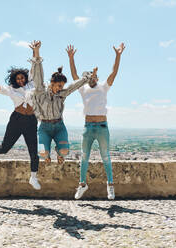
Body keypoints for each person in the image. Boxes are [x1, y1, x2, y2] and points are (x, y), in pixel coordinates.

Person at [0, 41, 42, 190]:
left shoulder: (31, 83)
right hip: (16, 120)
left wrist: (36, 51)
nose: (21, 80)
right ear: (14, 80)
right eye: (18, 79)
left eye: (22, 78)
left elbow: (35, 64)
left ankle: (33, 177)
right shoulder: (10, 89)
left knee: (33, 152)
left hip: (31, 120)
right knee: (5, 148)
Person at [66, 43, 125, 200]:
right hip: (88, 127)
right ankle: (82, 184)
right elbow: (74, 75)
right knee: (84, 156)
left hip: (102, 127)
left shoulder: (103, 88)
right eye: (89, 76)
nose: (91, 78)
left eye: (93, 76)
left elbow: (113, 73)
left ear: (97, 78)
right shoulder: (83, 89)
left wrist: (118, 56)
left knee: (106, 156)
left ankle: (110, 185)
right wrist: (71, 58)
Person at [29, 41, 98, 164]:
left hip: (59, 126)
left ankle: (59, 153)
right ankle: (46, 156)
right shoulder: (41, 91)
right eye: (59, 85)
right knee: (41, 152)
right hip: (44, 127)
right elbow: (37, 75)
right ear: (52, 83)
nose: (60, 88)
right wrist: (37, 52)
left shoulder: (62, 94)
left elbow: (74, 86)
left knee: (65, 151)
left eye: (62, 86)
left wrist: (89, 77)